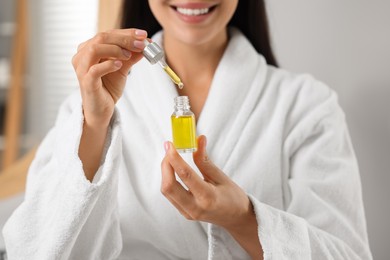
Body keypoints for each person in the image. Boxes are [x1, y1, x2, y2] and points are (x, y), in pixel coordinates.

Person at [3, 0, 372, 259]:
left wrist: (242, 217)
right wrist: (95, 126)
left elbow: (346, 254)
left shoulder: (307, 105)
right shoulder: (87, 107)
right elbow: (33, 249)